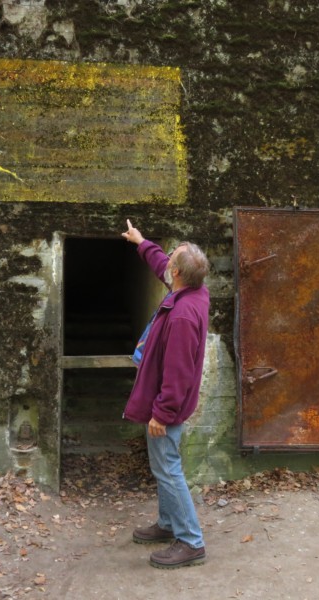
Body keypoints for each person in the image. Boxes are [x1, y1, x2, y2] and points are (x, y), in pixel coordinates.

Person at [121, 219, 210, 569]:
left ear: (177, 273)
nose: (167, 259)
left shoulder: (183, 316)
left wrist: (162, 413)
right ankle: (168, 523)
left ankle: (190, 540)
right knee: (162, 467)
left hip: (167, 406)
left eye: (172, 257)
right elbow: (162, 265)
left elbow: (178, 373)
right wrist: (141, 242)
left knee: (169, 468)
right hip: (165, 403)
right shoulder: (192, 289)